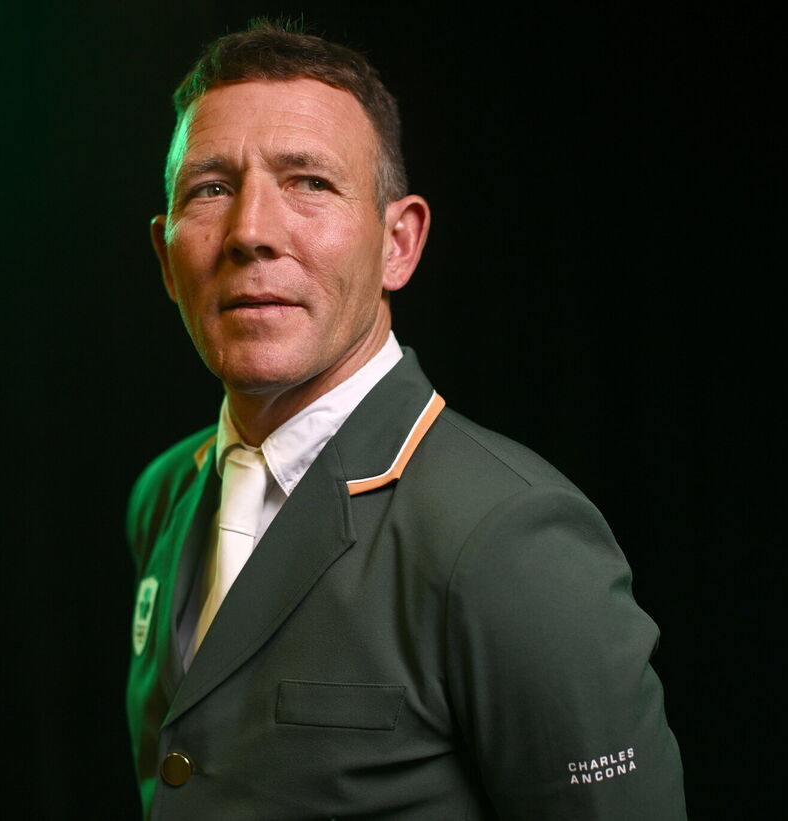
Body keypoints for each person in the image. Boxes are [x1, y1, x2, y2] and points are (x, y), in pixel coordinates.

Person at [127, 20, 686, 820]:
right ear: (165, 257)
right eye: (211, 188)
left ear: (399, 242)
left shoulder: (509, 536)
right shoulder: (164, 499)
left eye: (308, 182)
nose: (250, 232)